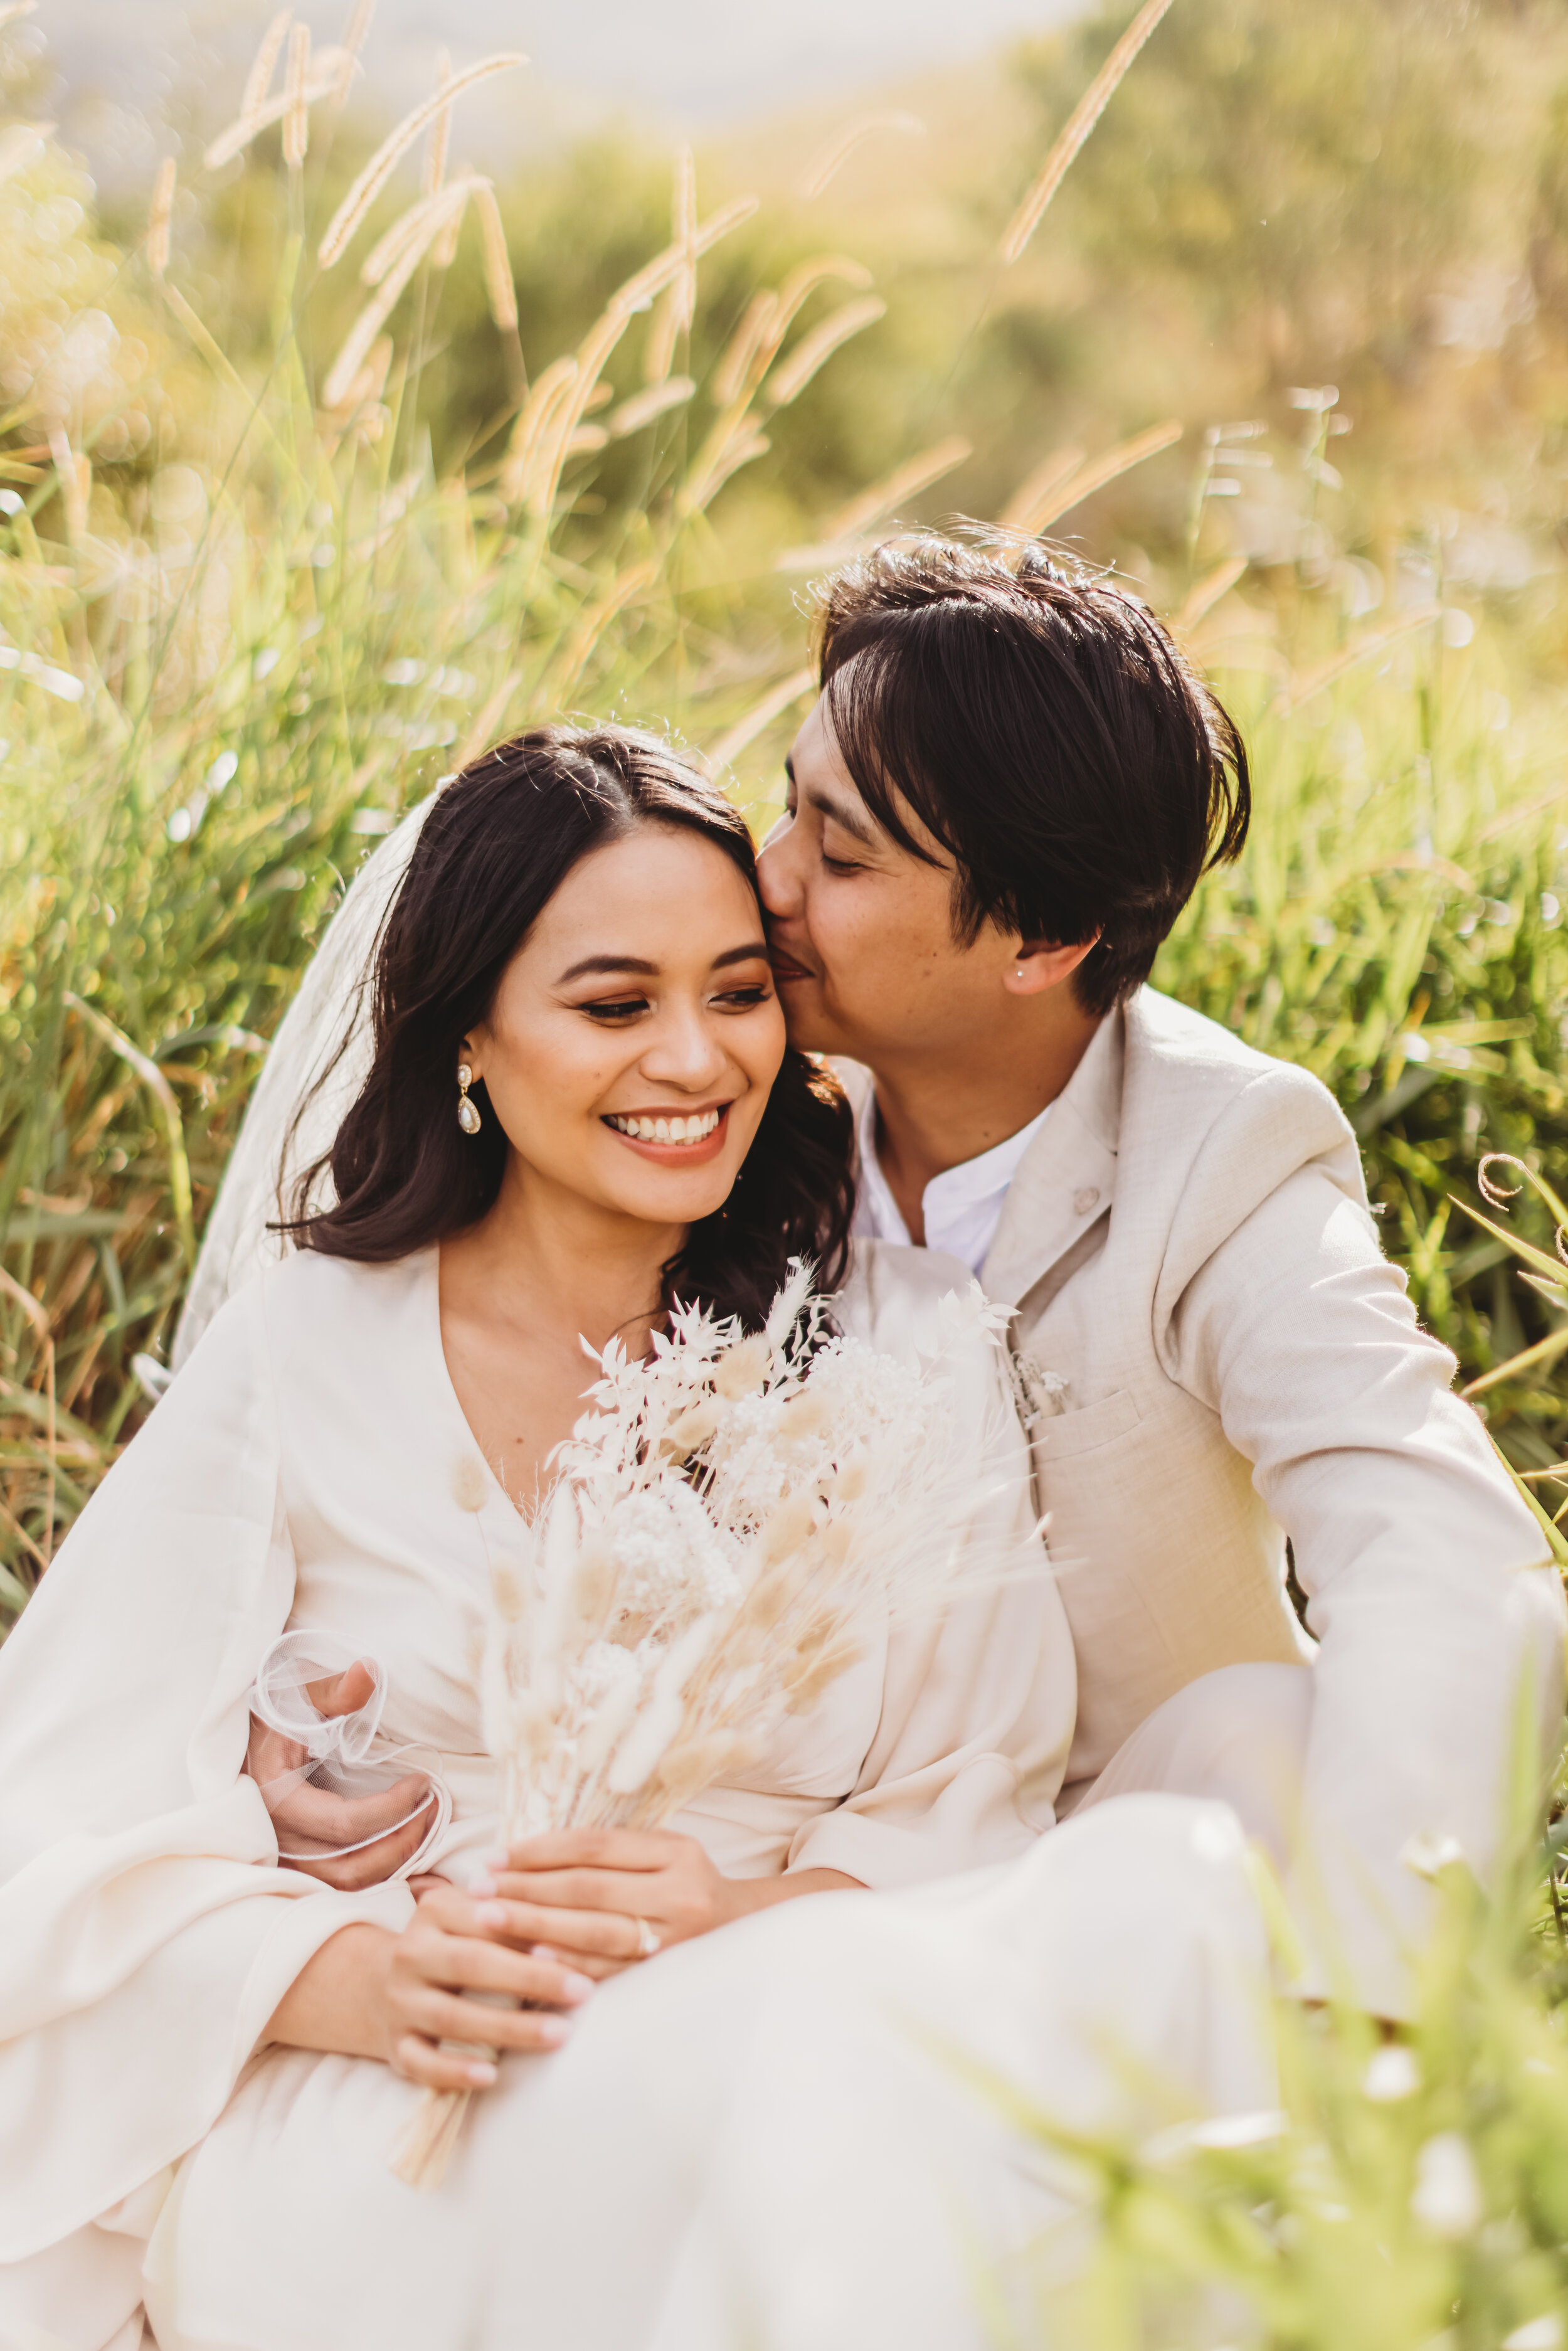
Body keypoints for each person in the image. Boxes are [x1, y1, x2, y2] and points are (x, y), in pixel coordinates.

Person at [0, 728, 1274, 2351]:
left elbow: (986, 1810)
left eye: (739, 992)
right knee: (849, 2092)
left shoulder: (900, 1346)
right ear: (472, 1031)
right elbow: (45, 1834)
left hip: (808, 2031)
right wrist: (355, 1976)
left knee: (1151, 1895)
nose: (696, 1058)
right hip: (403, 2120)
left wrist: (724, 1918)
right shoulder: (311, 1348)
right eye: (615, 1005)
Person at [754, 531, 1566, 2017]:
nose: (769, 882)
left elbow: (1448, 1554)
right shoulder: (721, 1098)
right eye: (784, 812)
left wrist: (1366, 1998)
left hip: (1111, 1869)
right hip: (774, 1854)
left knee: (1262, 1727)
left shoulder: (1221, 1154)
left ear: (1044, 937)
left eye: (841, 852)